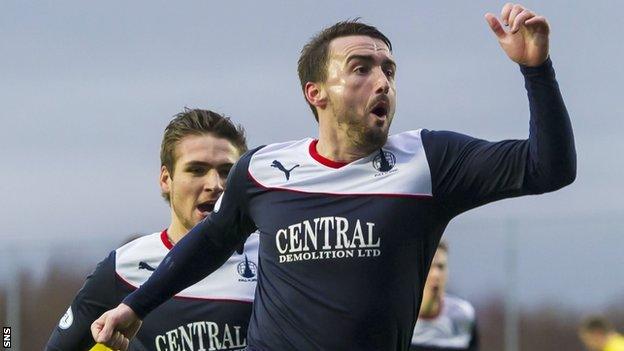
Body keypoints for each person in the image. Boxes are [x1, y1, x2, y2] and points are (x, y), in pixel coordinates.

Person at [92, 4, 576, 350]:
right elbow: (211, 241)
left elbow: (549, 168)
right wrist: (135, 308)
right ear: (316, 92)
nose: (382, 80)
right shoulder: (262, 170)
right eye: (361, 68)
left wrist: (537, 71)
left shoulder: (429, 161)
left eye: (389, 69)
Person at [45, 109, 259, 350]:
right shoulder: (122, 268)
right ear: (166, 179)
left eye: (226, 171)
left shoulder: (270, 257)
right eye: (197, 170)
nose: (214, 184)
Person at [410, 240, 478, 351]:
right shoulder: (400, 318)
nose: (436, 274)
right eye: (429, 266)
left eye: (440, 267)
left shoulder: (463, 315)